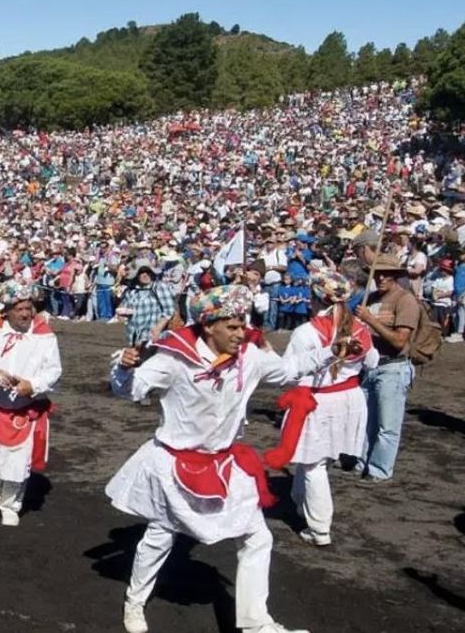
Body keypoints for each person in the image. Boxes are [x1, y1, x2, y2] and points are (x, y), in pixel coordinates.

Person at [109, 285, 340, 633]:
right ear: (208, 326)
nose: (240, 332)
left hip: (225, 464)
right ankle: (135, 602)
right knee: (160, 537)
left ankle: (256, 623)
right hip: (174, 465)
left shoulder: (250, 357)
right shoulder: (175, 359)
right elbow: (131, 390)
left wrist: (332, 350)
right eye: (231, 326)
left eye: (242, 324)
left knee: (258, 537)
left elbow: (290, 370)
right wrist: (124, 368)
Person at [266, 268, 377, 546]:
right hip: (349, 398)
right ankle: (300, 501)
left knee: (314, 464)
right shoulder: (360, 328)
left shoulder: (306, 332)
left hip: (319, 400)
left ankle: (319, 529)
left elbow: (289, 372)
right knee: (316, 459)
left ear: (316, 298)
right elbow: (372, 362)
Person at [0, 280, 61, 527]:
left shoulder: (45, 336)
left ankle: (10, 504)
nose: (25, 313)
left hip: (24, 412)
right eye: (19, 308)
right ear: (7, 310)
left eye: (28, 307)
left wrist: (33, 385)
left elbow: (54, 372)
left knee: (16, 464)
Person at [354, 254, 419, 481]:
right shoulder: (369, 298)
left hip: (393, 367)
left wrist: (370, 320)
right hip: (369, 367)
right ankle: (362, 461)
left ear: (395, 276)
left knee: (387, 425)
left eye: (386, 274)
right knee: (365, 421)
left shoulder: (405, 300)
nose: (381, 278)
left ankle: (379, 470)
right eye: (377, 273)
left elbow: (400, 341)